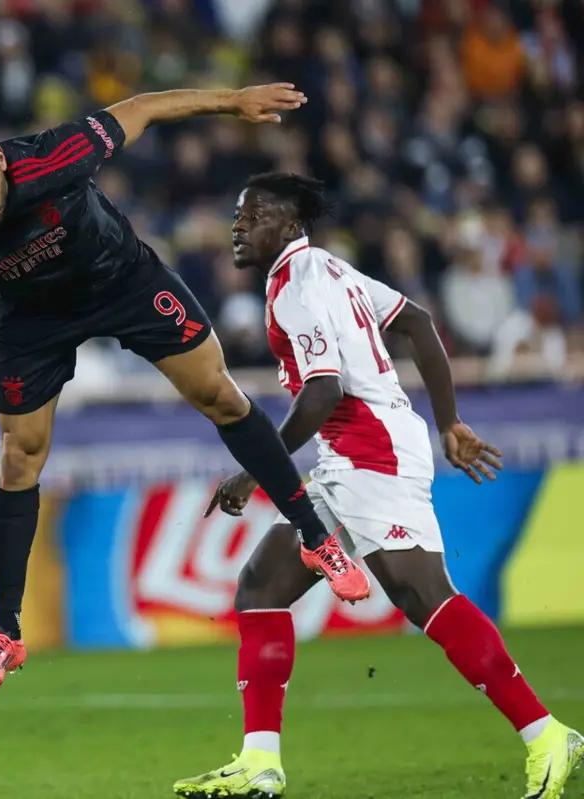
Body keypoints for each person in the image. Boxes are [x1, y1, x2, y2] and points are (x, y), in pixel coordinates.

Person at [0, 84, 371, 694]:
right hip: (34, 318)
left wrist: (232, 101)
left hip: (123, 282)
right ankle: (6, 631)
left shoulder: (51, 156)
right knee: (18, 456)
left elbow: (144, 108)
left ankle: (314, 536)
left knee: (220, 396)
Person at [172, 173, 581, 799]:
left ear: (288, 223)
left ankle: (546, 735)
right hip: (355, 452)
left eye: (252, 214)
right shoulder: (327, 269)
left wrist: (256, 467)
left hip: (372, 455)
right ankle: (260, 762)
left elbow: (323, 392)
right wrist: (448, 422)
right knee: (262, 582)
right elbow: (415, 322)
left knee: (422, 596)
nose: (237, 225)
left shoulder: (299, 290)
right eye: (237, 214)